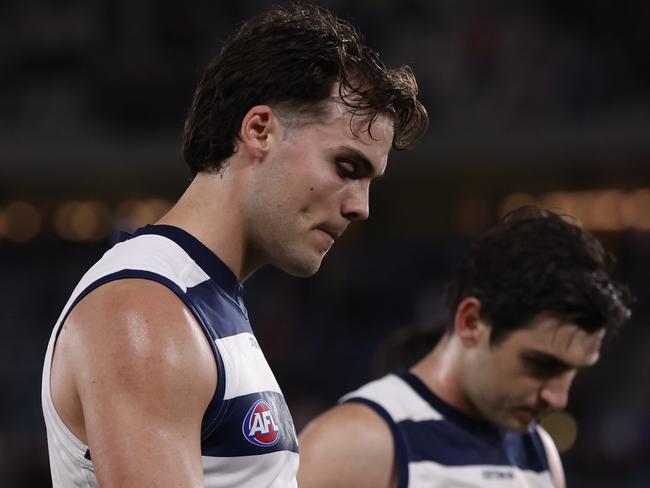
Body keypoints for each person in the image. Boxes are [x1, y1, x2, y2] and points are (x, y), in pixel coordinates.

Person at [41, 4, 428, 487]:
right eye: (346, 168)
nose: (361, 207)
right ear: (259, 130)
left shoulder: (200, 302)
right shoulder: (146, 313)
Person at [298, 206, 632, 488]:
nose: (558, 398)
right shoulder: (353, 444)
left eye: (572, 371)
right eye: (542, 364)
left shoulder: (539, 454)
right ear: (471, 322)